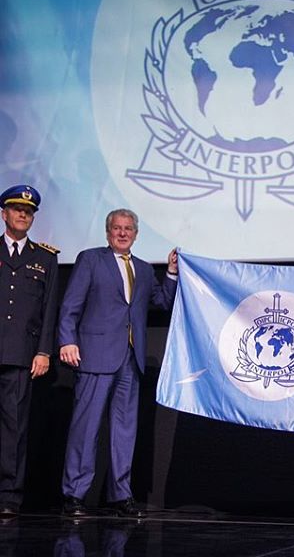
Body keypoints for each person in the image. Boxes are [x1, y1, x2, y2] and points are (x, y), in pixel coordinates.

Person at [59, 208, 177, 518]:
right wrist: (67, 340)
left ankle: (120, 495)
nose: (122, 233)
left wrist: (172, 273)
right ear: (107, 232)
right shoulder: (90, 259)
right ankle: (74, 494)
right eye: (117, 228)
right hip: (94, 354)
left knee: (124, 431)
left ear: (136, 234)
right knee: (85, 429)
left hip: (130, 359)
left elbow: (162, 301)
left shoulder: (144, 269)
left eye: (128, 229)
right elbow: (70, 305)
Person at [0, 184, 59, 518]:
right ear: (4, 214)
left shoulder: (45, 258)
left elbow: (49, 309)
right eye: (17, 209)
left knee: (14, 428)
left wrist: (44, 351)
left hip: (22, 354)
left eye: (28, 211)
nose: (23, 214)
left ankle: (9, 495)